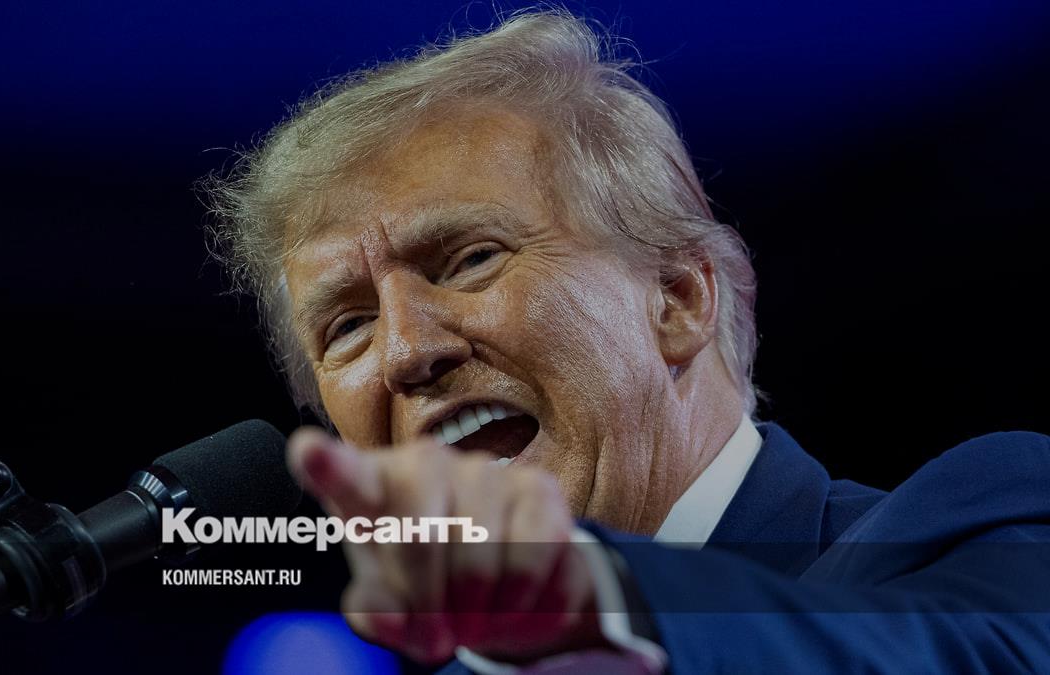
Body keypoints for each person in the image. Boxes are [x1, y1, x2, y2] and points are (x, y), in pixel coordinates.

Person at [204, 10, 1050, 673]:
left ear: (678, 300)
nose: (404, 351)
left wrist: (608, 596)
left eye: (470, 259)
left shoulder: (982, 517)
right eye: (348, 324)